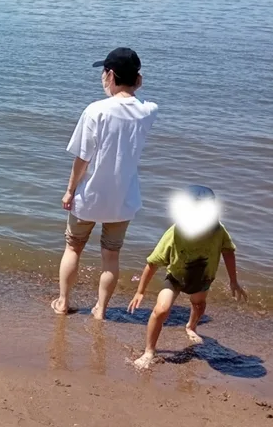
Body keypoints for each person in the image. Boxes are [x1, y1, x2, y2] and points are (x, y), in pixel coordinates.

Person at [52, 48, 158, 319]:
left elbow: (82, 158)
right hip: (122, 199)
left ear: (110, 75)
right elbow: (137, 103)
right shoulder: (148, 111)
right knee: (111, 256)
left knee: (73, 248)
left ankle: (63, 302)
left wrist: (69, 190)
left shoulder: (96, 110)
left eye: (104, 72)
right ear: (138, 79)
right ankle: (101, 310)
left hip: (90, 197)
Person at [128, 185, 247, 370]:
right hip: (176, 278)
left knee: (199, 304)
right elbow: (153, 262)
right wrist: (140, 291)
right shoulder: (176, 232)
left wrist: (234, 280)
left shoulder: (217, 230)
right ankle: (149, 351)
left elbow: (228, 251)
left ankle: (191, 327)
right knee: (161, 310)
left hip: (203, 279)